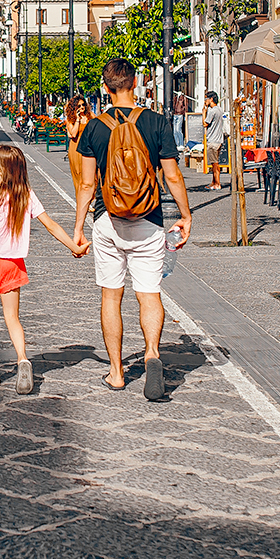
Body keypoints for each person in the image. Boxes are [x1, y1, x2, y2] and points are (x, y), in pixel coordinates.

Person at [73, 58, 193, 401]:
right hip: (149, 220)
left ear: (106, 87)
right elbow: (172, 176)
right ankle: (153, 353)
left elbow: (86, 184)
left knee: (112, 294)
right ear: (136, 82)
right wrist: (185, 215)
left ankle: (115, 372)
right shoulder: (157, 122)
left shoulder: (94, 128)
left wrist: (78, 228)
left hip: (108, 221)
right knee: (149, 293)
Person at [0, 143, 85, 392]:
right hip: (13, 264)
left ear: (2, 170)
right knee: (13, 318)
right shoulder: (26, 195)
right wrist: (73, 247)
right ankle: (22, 358)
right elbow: (51, 225)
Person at [202, 91, 228, 191]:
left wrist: (204, 112)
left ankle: (217, 183)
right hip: (219, 139)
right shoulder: (220, 110)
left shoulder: (212, 111)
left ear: (211, 99)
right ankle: (214, 182)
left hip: (213, 140)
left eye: (206, 99)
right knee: (214, 162)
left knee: (215, 163)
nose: (205, 101)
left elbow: (205, 123)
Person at [64, 96, 90, 192]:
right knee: (79, 174)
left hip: (88, 146)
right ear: (74, 107)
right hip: (76, 147)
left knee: (92, 174)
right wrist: (78, 119)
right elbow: (73, 133)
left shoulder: (90, 116)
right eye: (79, 105)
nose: (82, 107)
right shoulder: (71, 119)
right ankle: (81, 199)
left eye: (83, 104)